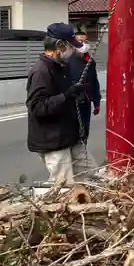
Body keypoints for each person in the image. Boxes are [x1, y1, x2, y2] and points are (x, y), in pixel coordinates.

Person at [26, 23, 98, 184]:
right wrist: (66, 96)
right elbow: (37, 107)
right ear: (60, 45)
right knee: (65, 188)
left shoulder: (60, 68)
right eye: (71, 47)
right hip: (54, 141)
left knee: (92, 178)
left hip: (70, 136)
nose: (73, 51)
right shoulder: (41, 72)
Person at [68, 32, 101, 141]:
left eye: (86, 41)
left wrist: (96, 102)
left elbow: (94, 82)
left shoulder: (90, 62)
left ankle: (83, 147)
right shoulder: (67, 60)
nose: (84, 44)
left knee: (84, 130)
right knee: (72, 130)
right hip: (71, 102)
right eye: (80, 41)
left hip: (85, 102)